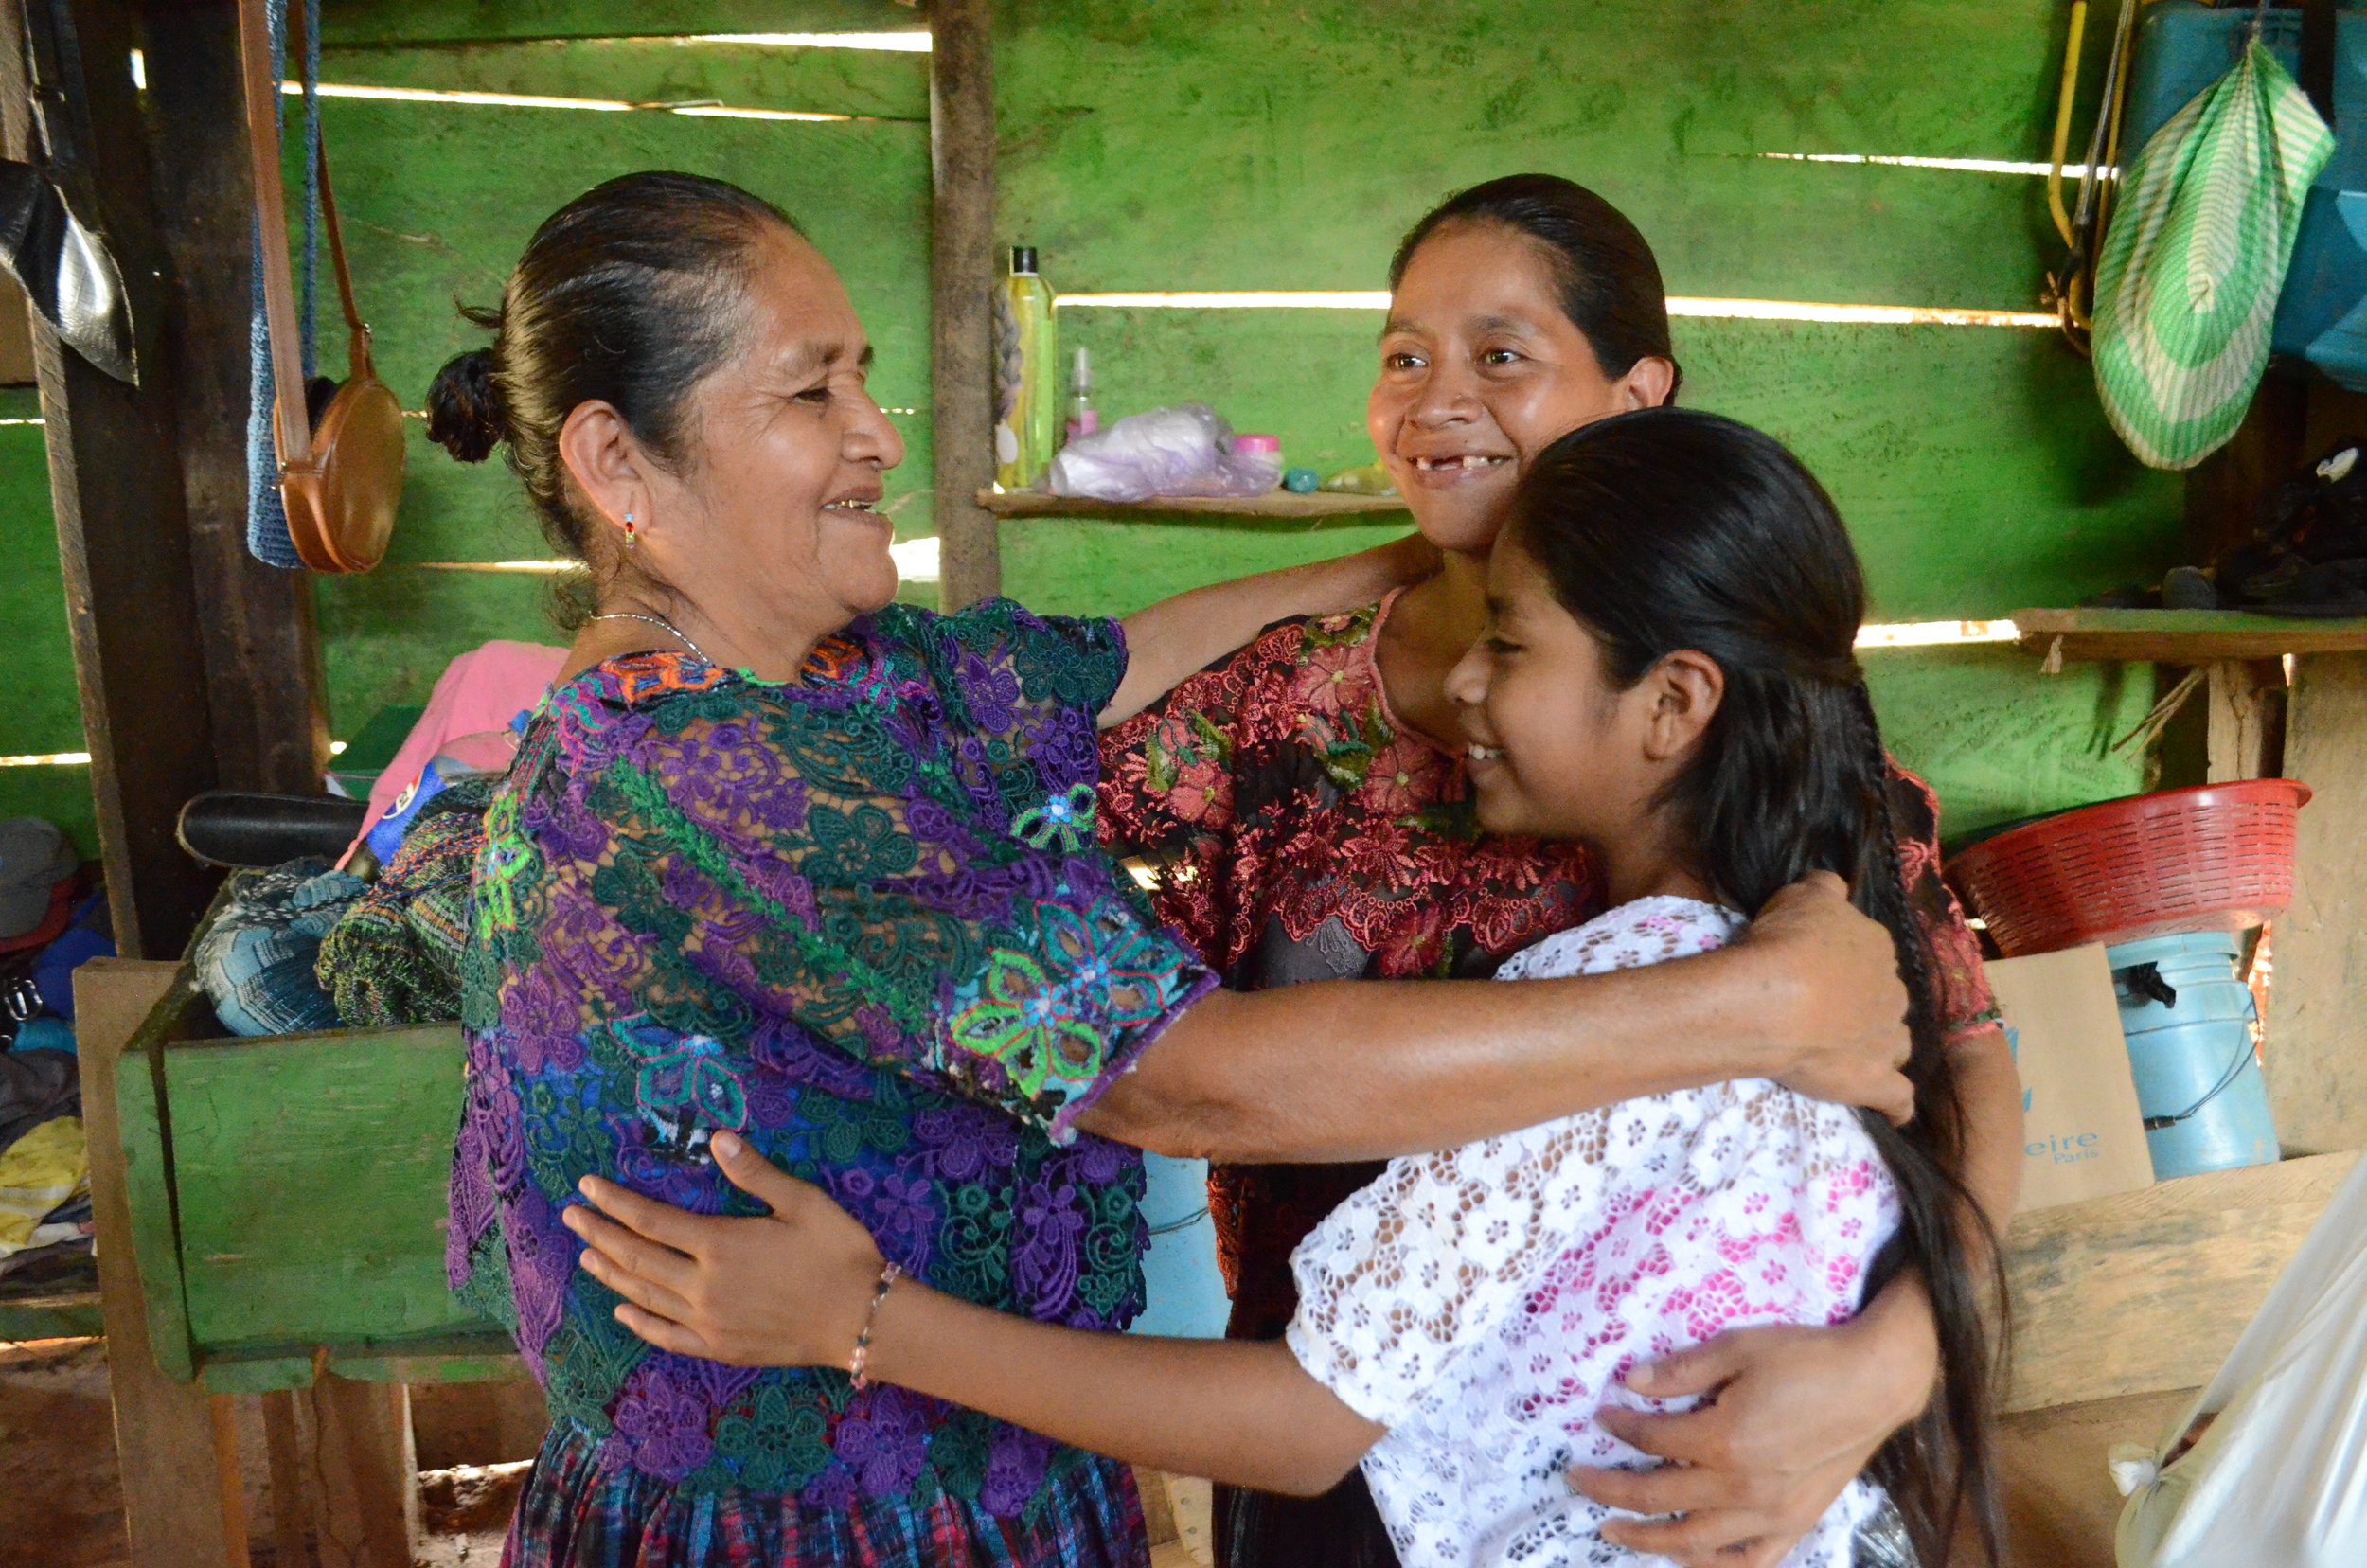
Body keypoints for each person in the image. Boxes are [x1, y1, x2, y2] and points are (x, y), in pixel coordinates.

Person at [439, 170, 1916, 1567]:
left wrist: (1885, 1368)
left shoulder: (857, 682)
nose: (881, 434)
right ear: (616, 460)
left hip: (1191, 1465)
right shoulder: (718, 767)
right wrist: (1754, 1007)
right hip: (863, 1506)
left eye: (1505, 356)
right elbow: (1170, 1076)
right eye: (813, 388)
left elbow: (1105, 661)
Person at [1088, 174, 2023, 1566]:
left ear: (1643, 395)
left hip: (1647, 1479)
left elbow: (1962, 1074)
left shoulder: (1744, 722)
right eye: (1403, 358)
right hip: (1326, 1455)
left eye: (1503, 357)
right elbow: (1041, 747)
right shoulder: (1269, 708)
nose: (1436, 400)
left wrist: (1892, 1365)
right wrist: (1376, 565)